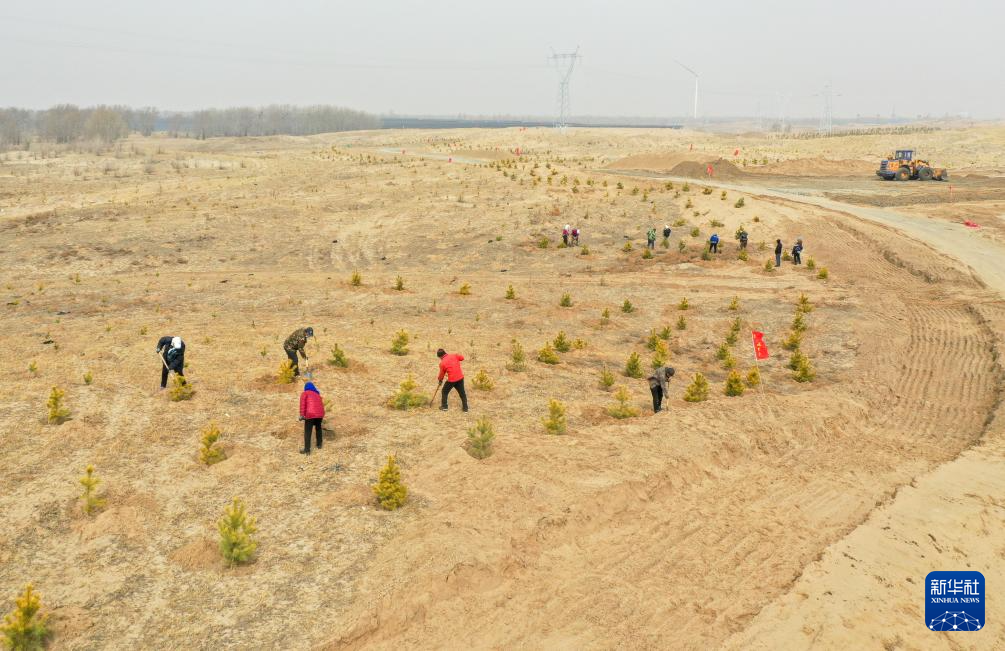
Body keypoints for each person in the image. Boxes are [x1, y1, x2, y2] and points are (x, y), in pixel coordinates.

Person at [298, 381, 325, 454]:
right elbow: (321, 405)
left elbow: (302, 404)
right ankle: (319, 445)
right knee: (318, 428)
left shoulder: (305, 393)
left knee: (308, 431)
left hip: (310, 414)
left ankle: (307, 450)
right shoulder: (317, 394)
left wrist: (302, 415)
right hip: (320, 414)